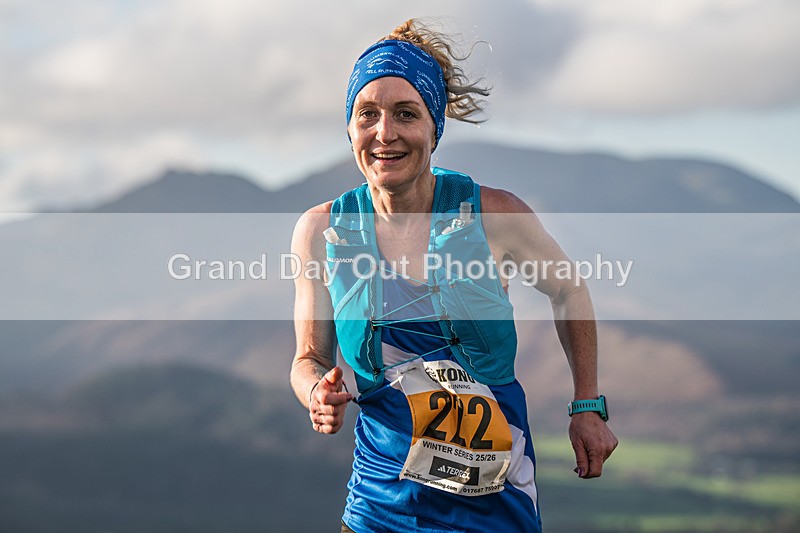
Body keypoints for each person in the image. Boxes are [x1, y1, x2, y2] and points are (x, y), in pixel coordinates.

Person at [290, 19, 618, 532]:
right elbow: (308, 359)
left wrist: (588, 403)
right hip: (378, 510)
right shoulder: (322, 231)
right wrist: (316, 392)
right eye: (367, 114)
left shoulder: (493, 216)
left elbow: (567, 289)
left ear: (433, 127)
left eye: (406, 114)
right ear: (350, 128)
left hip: (495, 509)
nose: (385, 133)